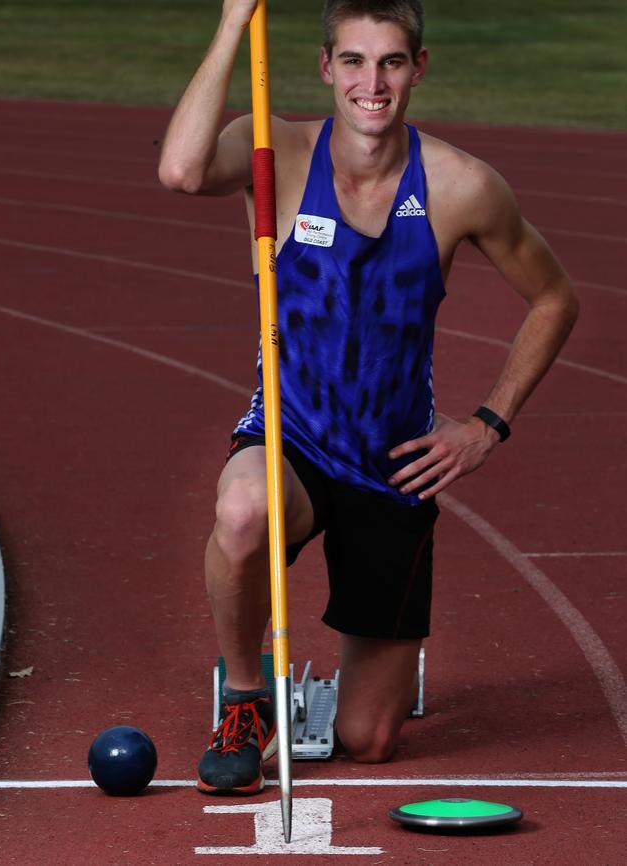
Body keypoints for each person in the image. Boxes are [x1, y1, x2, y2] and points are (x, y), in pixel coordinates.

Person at [159, 0, 579, 795]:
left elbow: (555, 298)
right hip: (292, 438)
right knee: (242, 513)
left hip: (392, 465)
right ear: (325, 67)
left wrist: (488, 425)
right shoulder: (276, 150)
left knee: (369, 741)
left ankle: (378, 682)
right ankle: (248, 692)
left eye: (390, 61)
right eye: (352, 60)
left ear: (418, 68)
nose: (371, 82)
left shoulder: (462, 186)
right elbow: (180, 171)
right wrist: (230, 21)